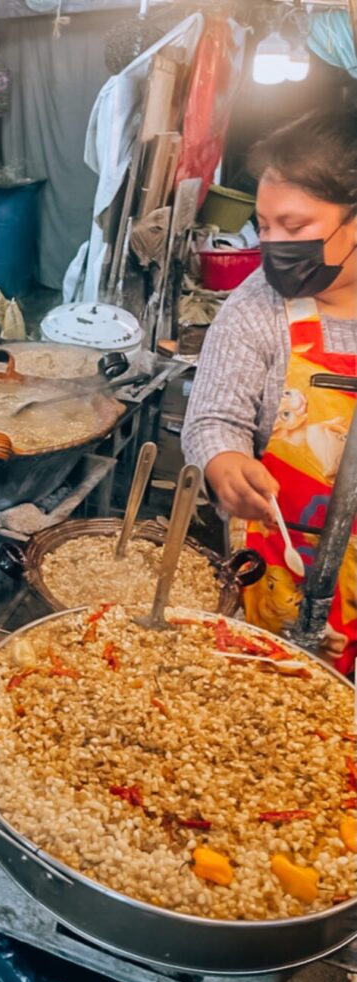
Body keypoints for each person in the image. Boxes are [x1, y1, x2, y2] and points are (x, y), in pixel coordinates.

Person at [182, 107, 357, 676]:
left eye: (296, 225)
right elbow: (212, 418)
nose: (274, 244)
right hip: (275, 575)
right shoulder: (259, 304)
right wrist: (224, 461)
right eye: (266, 224)